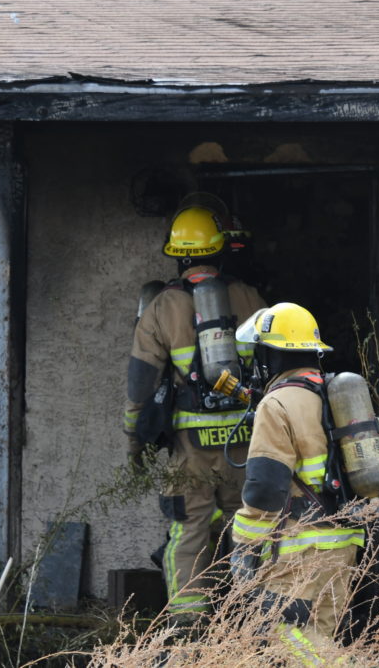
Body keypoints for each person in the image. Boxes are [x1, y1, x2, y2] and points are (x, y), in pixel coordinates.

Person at [230, 302, 379, 666]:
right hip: (344, 546)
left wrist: (244, 546)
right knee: (318, 638)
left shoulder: (276, 404)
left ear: (271, 355)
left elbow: (265, 488)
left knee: (282, 632)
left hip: (300, 551)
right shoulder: (339, 395)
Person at [123, 193, 266, 625]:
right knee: (249, 529)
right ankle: (251, 623)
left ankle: (189, 627)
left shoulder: (162, 307)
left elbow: (141, 386)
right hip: (244, 445)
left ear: (176, 255)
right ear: (220, 248)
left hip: (191, 450)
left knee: (188, 532)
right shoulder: (249, 296)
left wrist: (134, 444)